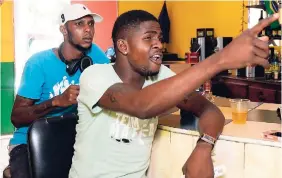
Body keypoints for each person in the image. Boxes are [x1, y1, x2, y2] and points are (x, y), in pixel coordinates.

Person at [69, 10, 278, 178]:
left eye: (159, 38)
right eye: (148, 38)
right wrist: (220, 60)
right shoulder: (95, 75)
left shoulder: (160, 76)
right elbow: (141, 105)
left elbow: (209, 110)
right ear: (123, 46)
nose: (159, 44)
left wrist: (204, 146)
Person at [7, 3, 109, 178]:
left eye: (90, 24)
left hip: (72, 136)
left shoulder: (96, 55)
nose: (88, 30)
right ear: (63, 29)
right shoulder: (38, 63)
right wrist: (55, 102)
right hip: (29, 139)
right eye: (79, 24)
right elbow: (17, 117)